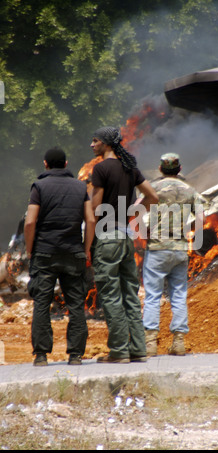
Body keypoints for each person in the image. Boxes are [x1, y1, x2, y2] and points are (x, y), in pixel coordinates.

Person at [90, 126, 158, 363]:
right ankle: (138, 349)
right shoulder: (130, 168)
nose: (92, 145)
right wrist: (131, 215)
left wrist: (88, 243)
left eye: (95, 140)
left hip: (106, 237)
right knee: (130, 293)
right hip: (126, 237)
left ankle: (119, 351)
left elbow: (95, 211)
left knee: (110, 295)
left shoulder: (100, 169)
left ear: (106, 144)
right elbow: (153, 197)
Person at [24, 147, 96, 366]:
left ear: (45, 164)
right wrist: (85, 250)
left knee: (42, 303)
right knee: (76, 305)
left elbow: (30, 222)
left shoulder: (39, 186)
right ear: (66, 164)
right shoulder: (80, 186)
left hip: (44, 253)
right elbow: (91, 220)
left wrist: (30, 251)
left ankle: (41, 356)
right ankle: (75, 356)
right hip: (73, 253)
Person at [142, 153, 204, 356]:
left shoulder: (152, 188)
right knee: (178, 295)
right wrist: (189, 229)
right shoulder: (190, 190)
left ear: (160, 169)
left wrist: (146, 233)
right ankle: (178, 342)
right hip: (179, 248)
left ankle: (150, 343)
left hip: (157, 248)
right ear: (180, 168)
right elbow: (201, 218)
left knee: (152, 296)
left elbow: (138, 213)